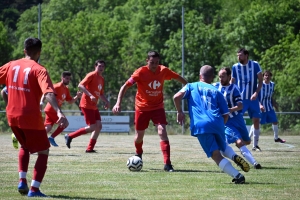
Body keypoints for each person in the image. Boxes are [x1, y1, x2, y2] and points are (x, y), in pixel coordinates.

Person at [0, 38, 69, 197]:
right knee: (44, 150)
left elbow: (4, 90)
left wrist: (8, 103)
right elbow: (49, 93)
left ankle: (22, 181)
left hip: (12, 116)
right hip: (29, 116)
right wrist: (59, 112)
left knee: (24, 146)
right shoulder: (39, 69)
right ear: (39, 52)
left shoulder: (11, 65)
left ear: (24, 50)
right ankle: (34, 189)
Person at [112, 51, 188, 172]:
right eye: (152, 62)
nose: (154, 65)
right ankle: (138, 153)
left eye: (157, 62)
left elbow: (179, 79)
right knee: (139, 137)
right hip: (142, 108)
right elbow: (125, 86)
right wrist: (118, 103)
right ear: (147, 61)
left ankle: (167, 164)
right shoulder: (140, 72)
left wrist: (190, 87)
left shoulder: (163, 70)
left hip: (158, 107)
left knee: (162, 131)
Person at [173, 65, 247, 184]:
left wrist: (179, 112)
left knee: (216, 155)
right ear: (212, 77)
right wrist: (220, 126)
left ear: (199, 76)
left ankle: (238, 176)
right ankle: (233, 156)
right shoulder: (217, 91)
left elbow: (176, 97)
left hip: (202, 125)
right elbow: (226, 114)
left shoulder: (191, 86)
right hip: (218, 122)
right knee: (222, 147)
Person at [214, 67, 262, 169]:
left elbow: (240, 106)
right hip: (226, 121)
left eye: (223, 76)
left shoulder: (234, 88)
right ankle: (255, 163)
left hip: (237, 119)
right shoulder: (215, 87)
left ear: (229, 76)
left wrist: (230, 109)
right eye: (219, 77)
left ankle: (224, 143)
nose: (221, 79)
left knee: (247, 141)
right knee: (239, 142)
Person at [64, 60, 110, 153]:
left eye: (102, 67)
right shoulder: (91, 75)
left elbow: (101, 94)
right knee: (92, 127)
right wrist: (90, 95)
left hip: (94, 106)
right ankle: (70, 136)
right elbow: (80, 85)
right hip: (86, 104)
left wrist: (106, 101)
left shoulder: (101, 79)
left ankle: (90, 148)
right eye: (99, 66)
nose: (101, 68)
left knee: (99, 126)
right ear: (95, 66)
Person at [231, 48, 263, 151]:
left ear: (246, 55)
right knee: (236, 119)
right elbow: (232, 82)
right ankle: (239, 141)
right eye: (238, 55)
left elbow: (261, 80)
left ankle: (255, 145)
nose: (238, 57)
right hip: (241, 99)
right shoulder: (235, 67)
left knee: (256, 120)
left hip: (253, 99)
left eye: (240, 55)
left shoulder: (255, 65)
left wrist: (256, 93)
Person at [40, 71, 82, 147]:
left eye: (69, 79)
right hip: (52, 109)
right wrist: (41, 103)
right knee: (65, 123)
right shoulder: (56, 86)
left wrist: (77, 97)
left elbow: (70, 101)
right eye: (66, 78)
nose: (68, 80)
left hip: (52, 110)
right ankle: (51, 137)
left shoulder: (66, 89)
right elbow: (46, 93)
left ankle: (31, 137)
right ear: (62, 78)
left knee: (47, 128)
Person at [249, 70, 286, 143]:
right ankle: (248, 138)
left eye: (269, 75)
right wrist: (260, 105)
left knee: (275, 121)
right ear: (263, 77)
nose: (267, 77)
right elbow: (255, 97)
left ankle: (276, 138)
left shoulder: (272, 85)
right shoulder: (259, 85)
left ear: (271, 76)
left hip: (269, 107)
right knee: (257, 123)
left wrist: (274, 104)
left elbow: (270, 96)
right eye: (265, 75)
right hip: (261, 108)